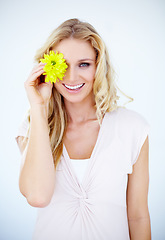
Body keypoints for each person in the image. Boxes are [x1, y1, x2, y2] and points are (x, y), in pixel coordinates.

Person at [15, 18, 151, 240]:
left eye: (84, 64)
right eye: (63, 65)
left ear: (99, 66)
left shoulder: (133, 128)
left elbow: (138, 217)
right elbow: (38, 196)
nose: (71, 77)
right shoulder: (34, 126)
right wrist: (39, 107)